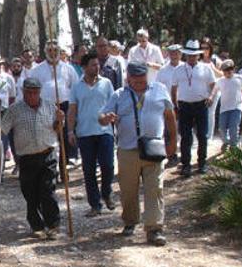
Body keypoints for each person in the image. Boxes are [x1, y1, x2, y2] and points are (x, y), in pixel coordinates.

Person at [100, 62, 177, 246]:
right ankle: (130, 221)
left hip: (154, 148)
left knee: (155, 188)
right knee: (128, 190)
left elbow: (169, 116)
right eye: (136, 81)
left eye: (142, 80)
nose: (140, 84)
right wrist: (107, 118)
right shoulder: (119, 95)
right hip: (128, 150)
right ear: (128, 79)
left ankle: (154, 228)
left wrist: (173, 140)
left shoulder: (159, 90)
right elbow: (101, 117)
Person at [1, 78, 64, 240]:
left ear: (39, 92)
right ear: (23, 92)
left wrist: (59, 120)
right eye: (29, 92)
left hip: (47, 153)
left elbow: (57, 129)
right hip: (27, 157)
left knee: (48, 190)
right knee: (30, 193)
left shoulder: (50, 106)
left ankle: (53, 224)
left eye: (35, 92)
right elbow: (2, 129)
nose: (32, 95)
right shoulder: (14, 110)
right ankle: (37, 225)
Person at [68, 52, 115, 216]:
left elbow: (113, 105)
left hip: (105, 131)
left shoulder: (107, 83)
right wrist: (70, 131)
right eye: (93, 65)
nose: (97, 67)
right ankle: (95, 204)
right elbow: (72, 110)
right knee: (88, 170)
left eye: (98, 64)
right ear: (84, 67)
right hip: (85, 133)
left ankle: (107, 193)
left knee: (107, 166)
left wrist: (112, 117)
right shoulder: (76, 86)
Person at [28, 40, 80, 165]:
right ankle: (50, 167)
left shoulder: (68, 68)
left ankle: (64, 167)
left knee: (64, 138)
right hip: (45, 107)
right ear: (46, 52)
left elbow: (75, 88)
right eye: (50, 51)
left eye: (55, 50)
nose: (53, 53)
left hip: (64, 106)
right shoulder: (37, 70)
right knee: (48, 137)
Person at [171, 39, 216, 176]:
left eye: (194, 55)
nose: (191, 57)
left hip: (201, 105)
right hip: (184, 106)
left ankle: (202, 164)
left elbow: (214, 85)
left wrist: (211, 97)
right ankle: (186, 165)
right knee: (185, 137)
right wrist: (175, 105)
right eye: (189, 55)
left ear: (198, 55)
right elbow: (174, 89)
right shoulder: (178, 69)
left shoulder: (206, 68)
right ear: (185, 55)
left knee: (202, 135)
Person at [209, 59, 242, 151]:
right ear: (223, 71)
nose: (228, 72)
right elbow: (214, 91)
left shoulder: (239, 78)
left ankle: (233, 145)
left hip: (236, 107)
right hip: (224, 108)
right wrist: (211, 98)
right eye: (226, 70)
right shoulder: (220, 81)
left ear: (233, 69)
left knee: (234, 127)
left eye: (230, 69)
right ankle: (226, 142)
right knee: (222, 128)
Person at [156, 43, 183, 166]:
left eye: (176, 53)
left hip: (184, 103)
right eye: (172, 53)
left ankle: (184, 153)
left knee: (183, 130)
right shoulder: (163, 70)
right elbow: (158, 87)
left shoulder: (185, 68)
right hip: (167, 105)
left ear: (180, 54)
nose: (174, 55)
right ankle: (171, 155)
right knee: (169, 131)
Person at [199, 37, 223, 139]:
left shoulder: (215, 60)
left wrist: (213, 68)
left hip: (214, 89)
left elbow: (223, 74)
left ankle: (209, 136)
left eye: (207, 48)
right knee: (200, 113)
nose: (205, 50)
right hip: (202, 89)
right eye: (203, 47)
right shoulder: (198, 60)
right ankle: (201, 133)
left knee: (210, 112)